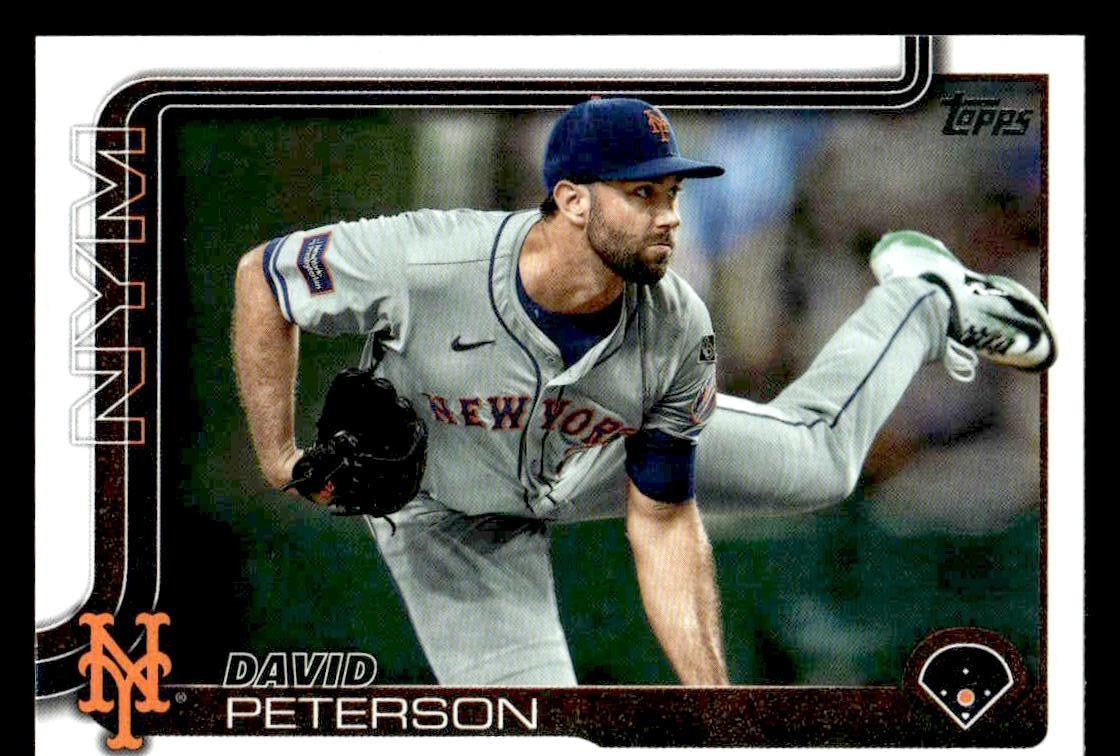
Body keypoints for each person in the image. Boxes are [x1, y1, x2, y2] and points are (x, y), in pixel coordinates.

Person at [231, 98, 1055, 687]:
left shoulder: (671, 321)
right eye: (641, 193)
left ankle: (920, 297)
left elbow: (662, 521)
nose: (668, 216)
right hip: (450, 513)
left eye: (671, 193)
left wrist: (714, 697)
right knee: (530, 734)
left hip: (592, 450)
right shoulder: (431, 258)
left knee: (821, 461)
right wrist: (277, 454)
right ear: (571, 199)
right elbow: (263, 278)